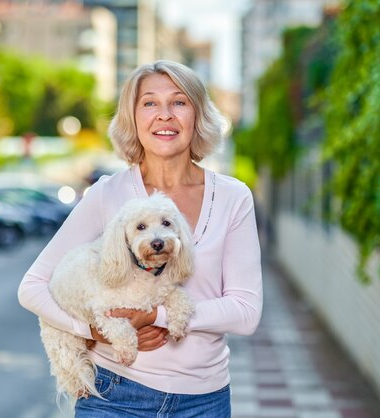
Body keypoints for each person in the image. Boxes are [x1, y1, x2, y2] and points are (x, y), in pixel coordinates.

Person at [18, 60, 263, 417]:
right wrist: (91, 330)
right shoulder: (107, 193)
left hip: (204, 402)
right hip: (114, 397)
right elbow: (33, 286)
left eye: (179, 102)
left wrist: (156, 316)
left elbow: (246, 312)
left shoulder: (233, 197)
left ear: (197, 116)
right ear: (133, 118)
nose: (164, 115)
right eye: (149, 103)